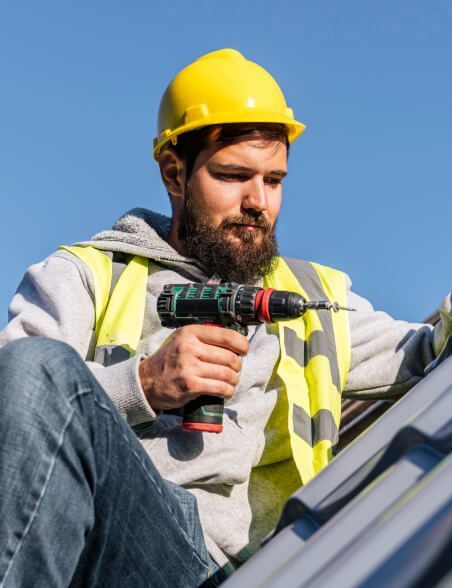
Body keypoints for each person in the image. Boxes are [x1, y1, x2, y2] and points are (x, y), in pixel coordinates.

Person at [0, 48, 450, 587]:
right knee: (37, 366)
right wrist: (141, 383)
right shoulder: (85, 276)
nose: (259, 201)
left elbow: (431, 351)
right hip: (98, 547)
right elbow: (18, 409)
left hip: (234, 572)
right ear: (174, 172)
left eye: (274, 180)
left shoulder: (311, 298)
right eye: (234, 175)